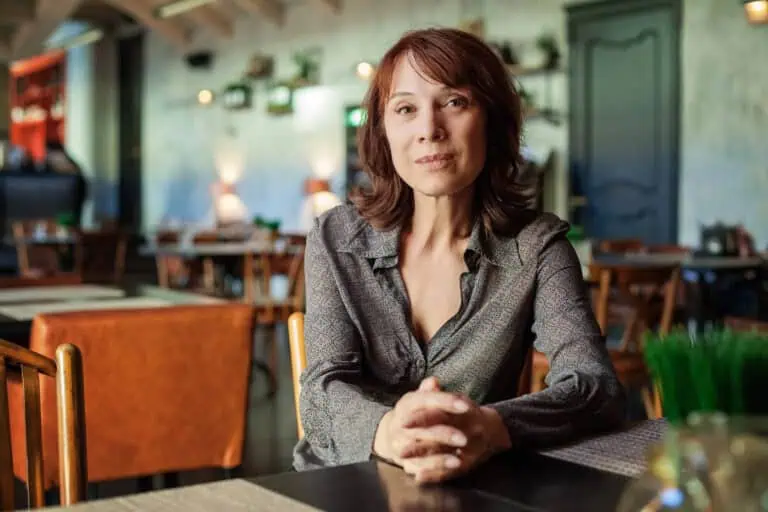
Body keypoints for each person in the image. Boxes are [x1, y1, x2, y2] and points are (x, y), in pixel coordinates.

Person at [293, 28, 626, 483]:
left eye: (454, 102)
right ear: (384, 131)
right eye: (406, 109)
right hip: (342, 482)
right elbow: (322, 391)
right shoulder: (334, 238)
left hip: (474, 485)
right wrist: (389, 431)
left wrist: (492, 426)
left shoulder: (538, 247)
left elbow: (596, 387)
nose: (429, 130)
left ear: (491, 120)